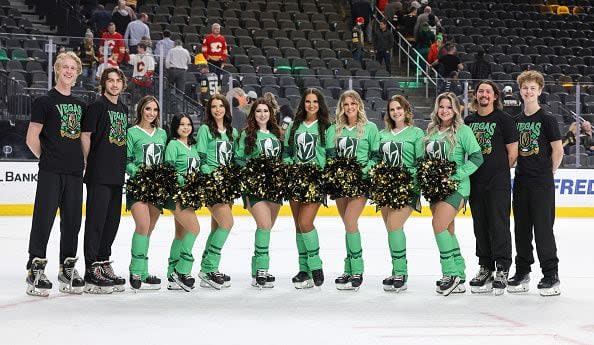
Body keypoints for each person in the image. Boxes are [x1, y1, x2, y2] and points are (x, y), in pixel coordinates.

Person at [25, 51, 86, 296]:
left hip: (74, 173)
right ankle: (35, 268)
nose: (69, 72)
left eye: (73, 68)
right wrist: (48, 158)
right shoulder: (44, 102)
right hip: (51, 171)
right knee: (44, 220)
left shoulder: (82, 106)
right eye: (65, 67)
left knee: (72, 222)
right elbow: (31, 138)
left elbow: (83, 140)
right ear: (57, 70)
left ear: (77, 74)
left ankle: (67, 267)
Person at [509, 71, 564, 296]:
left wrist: (546, 172)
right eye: (525, 88)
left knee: (543, 230)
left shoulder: (547, 119)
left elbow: (558, 151)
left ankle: (551, 274)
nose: (528, 91)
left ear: (540, 91)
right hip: (521, 181)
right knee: (521, 230)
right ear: (520, 91)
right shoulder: (516, 120)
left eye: (533, 88)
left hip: (541, 183)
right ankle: (522, 271)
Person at [424, 92, 483, 296]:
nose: (445, 110)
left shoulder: (463, 131)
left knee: (438, 225)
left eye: (449, 107)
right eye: (442, 106)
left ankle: (450, 274)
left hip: (457, 187)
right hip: (435, 188)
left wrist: (456, 175)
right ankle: (460, 271)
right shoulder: (431, 130)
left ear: (456, 110)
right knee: (447, 229)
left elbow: (477, 158)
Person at [464, 80, 518, 295]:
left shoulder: (504, 119)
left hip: (498, 183)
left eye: (488, 91)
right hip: (475, 182)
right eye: (480, 91)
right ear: (476, 96)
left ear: (495, 96)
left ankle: (502, 267)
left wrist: (497, 172)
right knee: (480, 226)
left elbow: (512, 153)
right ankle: (485, 266)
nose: (484, 95)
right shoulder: (468, 121)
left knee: (499, 225)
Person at [81, 67, 129, 294]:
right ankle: (91, 267)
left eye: (118, 81)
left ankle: (103, 261)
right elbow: (86, 135)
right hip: (99, 173)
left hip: (117, 174)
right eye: (110, 80)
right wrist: (88, 162)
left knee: (112, 222)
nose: (114, 84)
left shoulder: (123, 108)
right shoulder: (96, 106)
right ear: (104, 84)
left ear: (123, 84)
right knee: (96, 221)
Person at [326, 90, 379, 290]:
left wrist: (362, 171)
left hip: (360, 182)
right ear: (341, 107)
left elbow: (376, 157)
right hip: (340, 183)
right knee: (348, 225)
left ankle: (357, 269)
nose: (349, 108)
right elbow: (330, 157)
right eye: (345, 104)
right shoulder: (334, 130)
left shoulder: (370, 128)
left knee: (350, 221)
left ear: (359, 106)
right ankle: (348, 269)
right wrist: (338, 173)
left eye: (353, 104)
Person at [283, 88, 331, 288]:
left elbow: (329, 156)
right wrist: (289, 166)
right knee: (298, 225)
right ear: (303, 104)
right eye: (308, 101)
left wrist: (324, 176)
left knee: (305, 222)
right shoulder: (294, 127)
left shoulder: (326, 127)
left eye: (315, 102)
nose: (311, 105)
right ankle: (304, 270)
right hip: (296, 178)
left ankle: (315, 265)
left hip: (315, 179)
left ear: (320, 105)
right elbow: (287, 152)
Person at [377, 95, 424, 292]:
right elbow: (378, 159)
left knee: (395, 225)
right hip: (386, 188)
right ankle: (397, 269)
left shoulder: (416, 133)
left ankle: (401, 272)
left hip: (407, 187)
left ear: (406, 110)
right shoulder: (382, 134)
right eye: (392, 109)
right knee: (391, 229)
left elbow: (421, 162)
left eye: (399, 108)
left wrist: (407, 178)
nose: (396, 112)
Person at [235, 98, 283, 288]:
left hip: (274, 188)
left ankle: (256, 272)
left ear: (270, 114)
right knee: (263, 225)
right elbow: (238, 158)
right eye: (258, 111)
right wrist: (253, 171)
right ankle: (262, 269)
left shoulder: (277, 134)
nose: (262, 114)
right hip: (254, 187)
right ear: (253, 114)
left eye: (265, 111)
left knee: (267, 228)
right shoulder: (246, 134)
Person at [195, 94, 238, 289]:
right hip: (212, 183)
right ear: (209, 110)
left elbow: (235, 158)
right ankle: (208, 268)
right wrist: (210, 176)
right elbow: (201, 157)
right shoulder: (205, 129)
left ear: (226, 109)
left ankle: (210, 268)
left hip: (228, 184)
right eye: (214, 106)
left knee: (217, 227)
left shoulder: (232, 132)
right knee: (227, 223)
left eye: (221, 106)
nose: (217, 109)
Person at [126, 95, 168, 290]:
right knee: (142, 225)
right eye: (148, 109)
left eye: (155, 110)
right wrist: (135, 170)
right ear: (141, 110)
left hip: (157, 188)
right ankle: (135, 270)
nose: (152, 113)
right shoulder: (132, 132)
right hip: (138, 186)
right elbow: (125, 159)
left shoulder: (161, 134)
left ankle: (143, 272)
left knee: (148, 230)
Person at [163, 114, 201, 292]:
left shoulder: (192, 146)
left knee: (180, 234)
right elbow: (168, 171)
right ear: (175, 127)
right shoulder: (172, 145)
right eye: (181, 124)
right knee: (194, 229)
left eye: (188, 124)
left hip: (189, 195)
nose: (185, 127)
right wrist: (182, 180)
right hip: (177, 195)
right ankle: (182, 270)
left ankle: (172, 274)